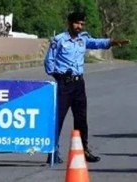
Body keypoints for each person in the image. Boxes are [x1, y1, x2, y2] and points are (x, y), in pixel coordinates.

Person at [43, 11, 130, 164]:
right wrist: (58, 76)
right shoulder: (59, 40)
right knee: (59, 118)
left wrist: (114, 42)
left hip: (78, 84)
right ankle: (53, 151)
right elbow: (49, 62)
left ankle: (84, 150)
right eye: (77, 23)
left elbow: (97, 43)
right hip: (64, 83)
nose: (79, 26)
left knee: (81, 119)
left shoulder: (83, 39)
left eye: (82, 24)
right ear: (69, 23)